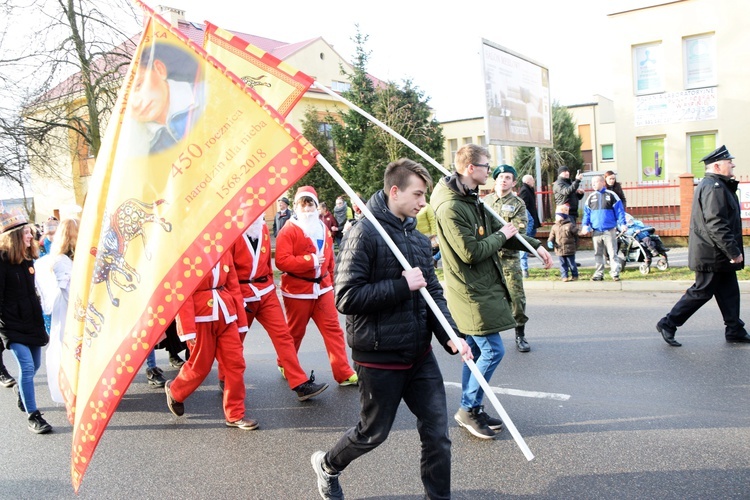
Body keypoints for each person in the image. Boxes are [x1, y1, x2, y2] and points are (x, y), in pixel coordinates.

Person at [311, 158, 471, 500]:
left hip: (419, 355)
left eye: (424, 194)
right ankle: (328, 465)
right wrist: (401, 285)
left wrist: (451, 336)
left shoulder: (415, 238)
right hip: (379, 357)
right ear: (394, 191)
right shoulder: (363, 233)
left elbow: (433, 294)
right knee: (373, 433)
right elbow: (346, 297)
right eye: (417, 194)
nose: (422, 202)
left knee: (438, 435)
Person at [431, 144, 552, 439]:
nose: (491, 170)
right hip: (470, 290)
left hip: (481, 285)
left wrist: (533, 245)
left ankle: (470, 406)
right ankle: (468, 408)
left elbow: (499, 234)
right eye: (486, 165)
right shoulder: (451, 206)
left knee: (473, 351)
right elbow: (471, 252)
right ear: (470, 168)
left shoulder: (472, 198)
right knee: (493, 350)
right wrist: (502, 235)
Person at [656, 145, 750, 346]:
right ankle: (668, 323)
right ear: (717, 166)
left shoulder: (719, 185)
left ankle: (735, 329)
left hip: (717, 253)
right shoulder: (713, 187)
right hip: (712, 254)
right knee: (701, 291)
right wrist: (733, 251)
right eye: (728, 162)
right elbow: (716, 223)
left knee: (729, 291)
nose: (732, 164)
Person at [229, 215, 328, 401]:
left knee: (283, 335)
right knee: (236, 339)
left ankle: (300, 383)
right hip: (242, 293)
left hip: (265, 290)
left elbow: (266, 262)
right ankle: (224, 376)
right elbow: (229, 271)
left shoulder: (263, 228)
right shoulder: (231, 232)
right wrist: (236, 299)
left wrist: (271, 286)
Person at [165, 252, 259, 430]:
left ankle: (235, 415)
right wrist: (187, 329)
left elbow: (233, 286)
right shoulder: (186, 252)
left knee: (235, 364)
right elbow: (182, 292)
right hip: (201, 318)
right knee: (200, 367)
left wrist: (240, 320)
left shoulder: (224, 249)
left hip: (226, 315)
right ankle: (175, 390)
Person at [275, 186, 358, 386]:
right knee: (296, 331)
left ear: (316, 204)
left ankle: (343, 372)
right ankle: (285, 363)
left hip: (323, 289)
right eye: (302, 204)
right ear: (295, 206)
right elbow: (281, 261)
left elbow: (329, 259)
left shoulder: (323, 227)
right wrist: (309, 260)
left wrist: (332, 282)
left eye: (310, 203)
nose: (307, 208)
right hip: (297, 291)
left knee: (333, 330)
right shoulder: (288, 230)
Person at [485, 165, 551, 352]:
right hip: (488, 257)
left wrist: (494, 236)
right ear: (495, 179)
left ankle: (519, 334)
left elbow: (516, 233)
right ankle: (487, 337)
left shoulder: (518, 204)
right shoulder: (485, 201)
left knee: (516, 298)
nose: (503, 180)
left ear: (514, 182)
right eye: (500, 177)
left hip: (508, 258)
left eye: (508, 177)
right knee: (487, 298)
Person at [0, 208, 52, 434]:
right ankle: (34, 416)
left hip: (32, 321)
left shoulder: (28, 259)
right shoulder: (1, 262)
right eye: (27, 233)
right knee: (27, 366)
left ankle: (22, 393)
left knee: (35, 366)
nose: (31, 236)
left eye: (31, 232)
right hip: (11, 325)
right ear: (14, 236)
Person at [130, 42, 205, 155]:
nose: (135, 103)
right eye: (125, 101)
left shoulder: (209, 95)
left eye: (139, 85)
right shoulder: (137, 150)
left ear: (160, 70)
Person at [44, 218, 78, 403]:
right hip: (67, 315)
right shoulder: (60, 261)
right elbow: (68, 292)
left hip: (76, 314)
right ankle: (70, 390)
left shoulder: (71, 259)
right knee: (68, 353)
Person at [580, 175, 627, 281]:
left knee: (612, 253)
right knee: (598, 253)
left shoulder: (611, 195)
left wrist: (623, 223)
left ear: (602, 182)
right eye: (592, 183)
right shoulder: (591, 197)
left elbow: (619, 211)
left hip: (609, 230)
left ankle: (615, 273)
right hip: (596, 231)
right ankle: (599, 273)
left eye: (595, 182)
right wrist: (585, 225)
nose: (593, 185)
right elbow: (587, 214)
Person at [547, 205, 579, 282]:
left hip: (569, 249)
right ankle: (564, 276)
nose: (556, 217)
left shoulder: (570, 225)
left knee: (571, 263)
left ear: (563, 216)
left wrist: (580, 233)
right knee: (562, 264)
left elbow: (576, 233)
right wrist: (550, 241)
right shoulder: (555, 227)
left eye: (558, 216)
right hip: (559, 249)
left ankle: (575, 275)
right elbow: (552, 235)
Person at [518, 174, 541, 278]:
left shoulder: (529, 190)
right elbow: (524, 208)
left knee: (529, 241)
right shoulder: (524, 190)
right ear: (528, 181)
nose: (534, 182)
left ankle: (528, 255)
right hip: (528, 222)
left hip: (531, 220)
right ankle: (524, 270)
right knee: (525, 243)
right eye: (532, 180)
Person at [415, 203, 440, 267]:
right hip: (416, 235)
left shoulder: (426, 207)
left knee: (428, 253)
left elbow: (432, 220)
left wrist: (434, 234)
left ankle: (431, 264)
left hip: (427, 235)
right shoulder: (411, 206)